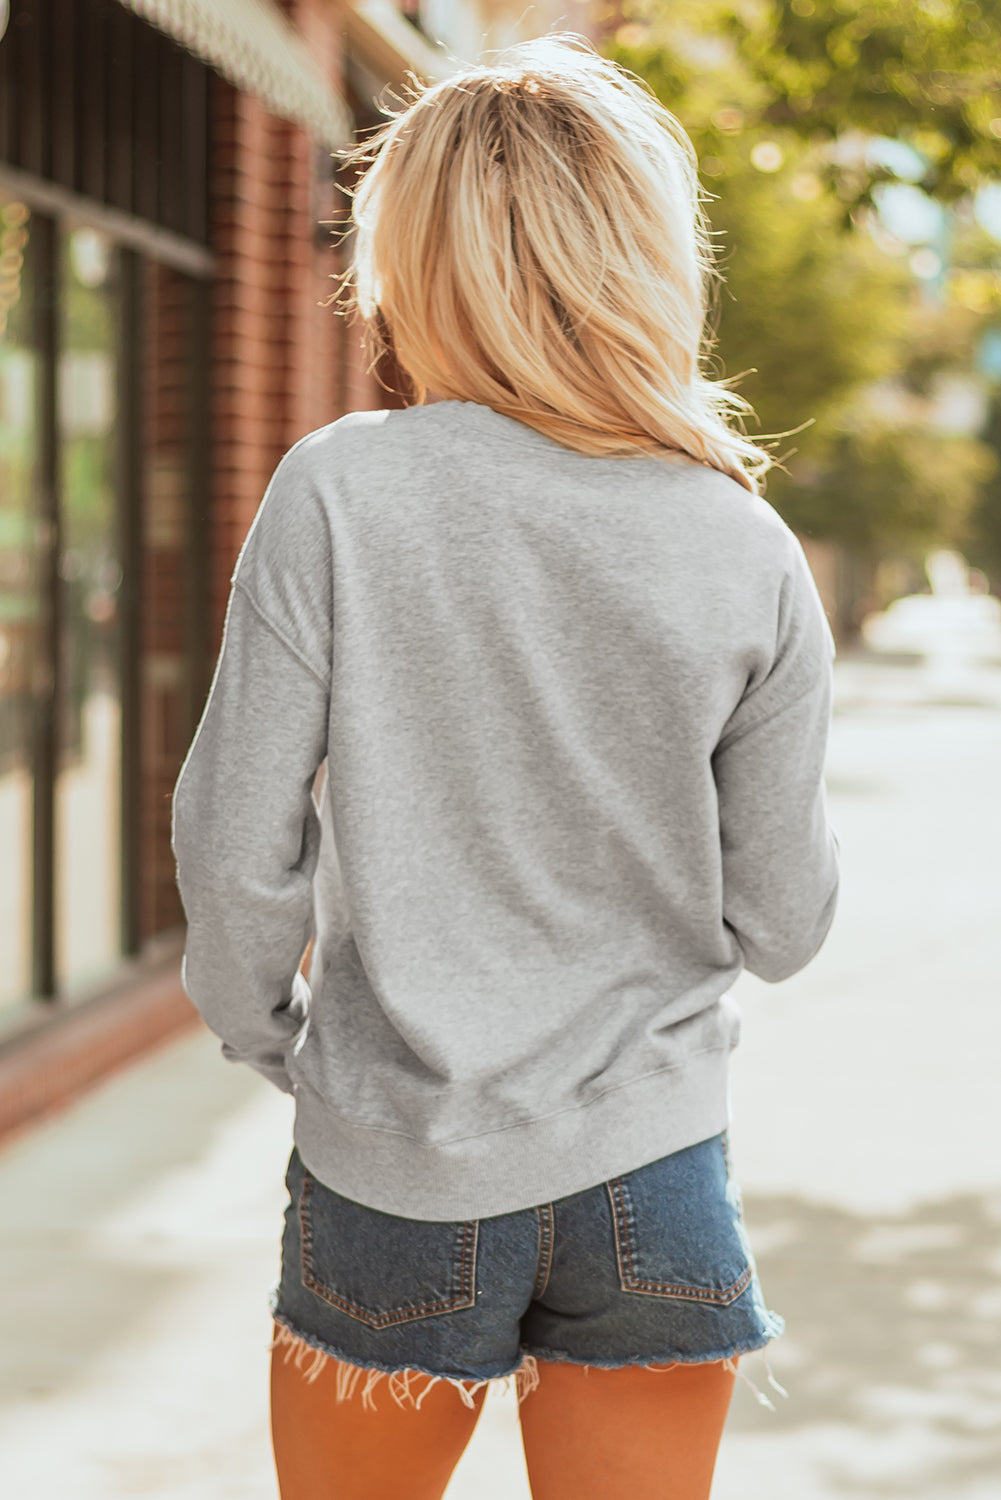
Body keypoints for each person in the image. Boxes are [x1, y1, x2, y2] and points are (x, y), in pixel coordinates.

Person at [171, 32, 839, 1500]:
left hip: (388, 1160)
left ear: (414, 257)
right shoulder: (743, 543)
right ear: (645, 253)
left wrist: (261, 1027)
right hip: (653, 1170)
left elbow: (234, 850)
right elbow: (784, 924)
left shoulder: (338, 489)